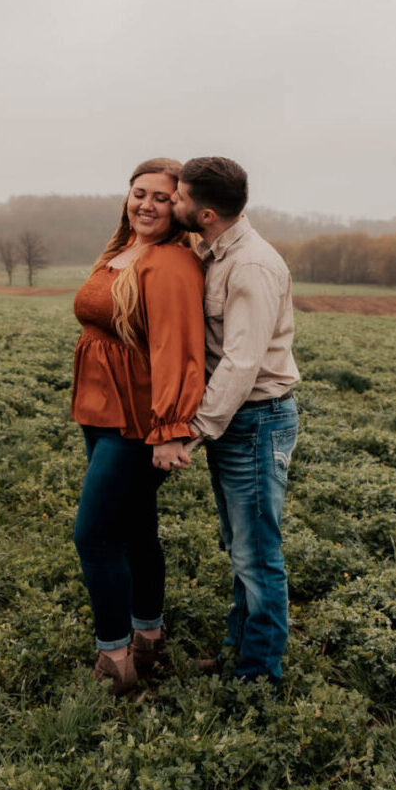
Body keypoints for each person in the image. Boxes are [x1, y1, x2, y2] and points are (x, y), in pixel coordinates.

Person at [159, 156, 300, 686]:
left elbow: (242, 362)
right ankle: (239, 651)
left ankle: (259, 677)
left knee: (258, 553)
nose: (172, 203)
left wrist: (191, 432)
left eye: (178, 197)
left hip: (257, 421)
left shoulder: (252, 267)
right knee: (240, 546)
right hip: (240, 423)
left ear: (207, 212)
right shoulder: (215, 250)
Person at [70, 158, 206, 695]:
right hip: (101, 410)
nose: (146, 204)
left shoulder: (171, 262)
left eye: (161, 197)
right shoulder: (122, 250)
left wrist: (171, 426)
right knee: (134, 527)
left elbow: (179, 347)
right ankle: (148, 637)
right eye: (138, 193)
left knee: (96, 535)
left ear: (181, 208)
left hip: (137, 417)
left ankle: (116, 661)